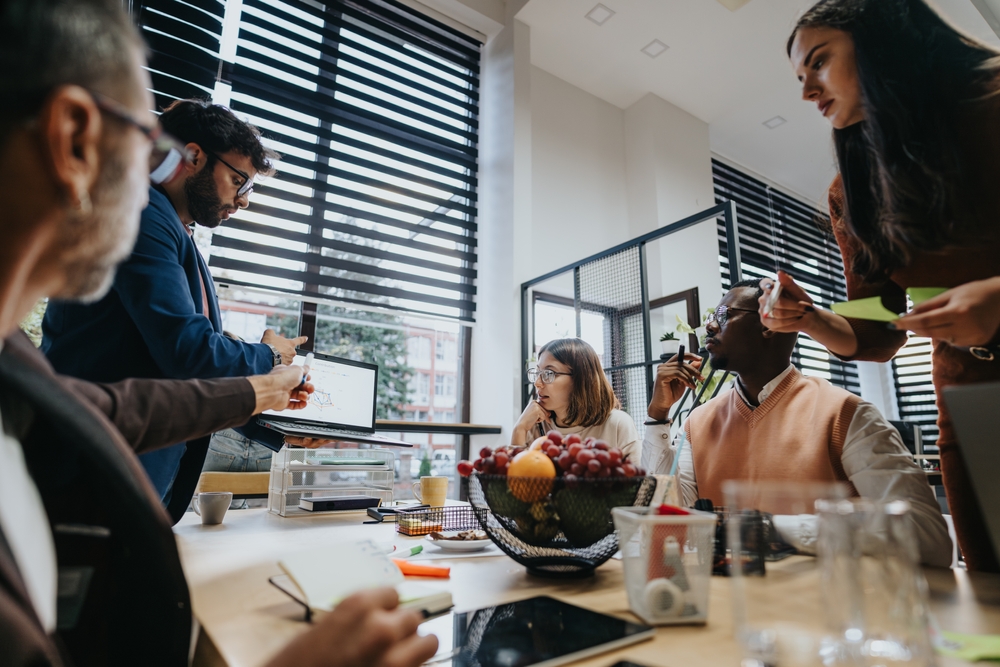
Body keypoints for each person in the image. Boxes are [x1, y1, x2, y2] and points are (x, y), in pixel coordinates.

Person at [0, 1, 438, 666]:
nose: (241, 200)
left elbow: (122, 407)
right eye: (141, 142)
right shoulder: (151, 218)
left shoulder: (19, 367)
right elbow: (184, 357)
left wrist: (269, 407)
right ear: (77, 136)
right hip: (95, 500)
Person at [764, 0, 1000, 571]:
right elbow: (876, 330)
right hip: (970, 394)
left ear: (883, 41)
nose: (807, 93)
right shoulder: (853, 190)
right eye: (800, 78)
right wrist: (812, 318)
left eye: (819, 63)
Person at [40, 96, 309, 517]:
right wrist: (272, 355)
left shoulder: (170, 229)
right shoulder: (142, 215)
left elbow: (174, 373)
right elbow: (188, 351)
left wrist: (275, 422)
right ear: (196, 156)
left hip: (126, 468)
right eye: (240, 181)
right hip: (95, 473)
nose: (244, 200)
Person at [641, 280, 952, 567]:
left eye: (724, 314)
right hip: (729, 613)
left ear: (769, 325)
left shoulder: (845, 415)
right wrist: (657, 416)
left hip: (828, 614)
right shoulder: (698, 422)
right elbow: (665, 518)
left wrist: (771, 529)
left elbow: (927, 537)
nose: (710, 325)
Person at [513, 338, 640, 461]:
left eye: (548, 373)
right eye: (538, 373)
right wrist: (519, 428)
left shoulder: (617, 424)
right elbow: (515, 478)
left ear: (581, 379)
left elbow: (639, 480)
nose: (537, 383)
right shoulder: (535, 423)